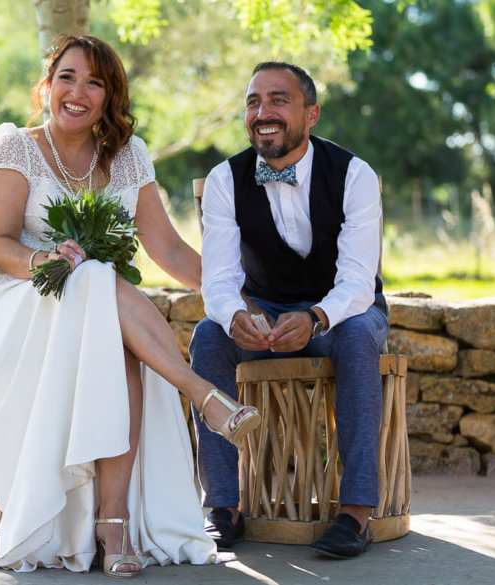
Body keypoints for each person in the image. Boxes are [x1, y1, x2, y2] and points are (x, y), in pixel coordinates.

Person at [0, 35, 260, 576]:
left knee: (111, 322)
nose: (77, 92)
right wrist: (47, 259)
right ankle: (200, 394)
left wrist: (234, 300)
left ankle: (113, 522)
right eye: (67, 77)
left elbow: (167, 248)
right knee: (98, 281)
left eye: (94, 83)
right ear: (47, 86)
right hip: (24, 301)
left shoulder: (128, 156)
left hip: (96, 308)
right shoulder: (14, 147)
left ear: (110, 97)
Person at [189, 61, 389, 559]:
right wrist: (235, 316)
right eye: (254, 102)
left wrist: (317, 317)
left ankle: (356, 512)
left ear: (311, 114)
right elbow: (218, 280)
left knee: (358, 337)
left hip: (344, 313)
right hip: (264, 313)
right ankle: (223, 507)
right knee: (208, 336)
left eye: (279, 100)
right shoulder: (224, 179)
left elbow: (358, 282)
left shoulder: (355, 174)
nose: (263, 112)